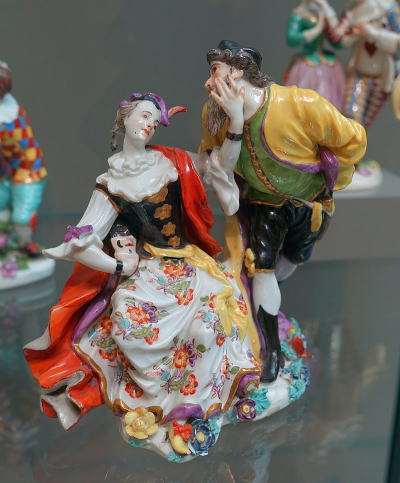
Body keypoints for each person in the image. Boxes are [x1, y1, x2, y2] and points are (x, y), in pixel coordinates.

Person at [24, 91, 266, 459]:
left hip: (188, 264)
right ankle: (149, 404)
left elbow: (220, 165)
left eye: (154, 119)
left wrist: (234, 125)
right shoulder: (110, 182)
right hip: (149, 267)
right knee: (126, 321)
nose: (149, 124)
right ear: (123, 119)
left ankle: (191, 407)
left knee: (209, 324)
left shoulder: (172, 161)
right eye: (143, 115)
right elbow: (81, 242)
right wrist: (120, 266)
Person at [199, 40, 367, 383]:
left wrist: (333, 177)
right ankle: (271, 349)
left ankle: (268, 313)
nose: (208, 83)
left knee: (290, 262)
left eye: (215, 72)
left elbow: (354, 140)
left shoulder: (299, 104)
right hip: (264, 203)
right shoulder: (213, 116)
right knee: (262, 267)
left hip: (309, 203)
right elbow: (211, 159)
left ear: (237, 72)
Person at [0, 60, 46, 256]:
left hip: (28, 169)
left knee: (22, 217)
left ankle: (24, 244)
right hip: (5, 170)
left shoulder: (9, 114)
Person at [284, 0, 346, 110]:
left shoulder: (323, 14)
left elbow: (337, 43)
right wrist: (315, 31)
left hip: (326, 61)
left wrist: (329, 15)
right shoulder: (299, 15)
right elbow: (291, 38)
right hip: (307, 62)